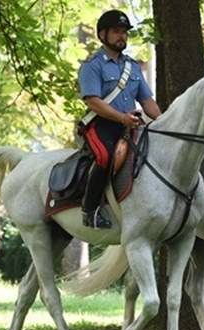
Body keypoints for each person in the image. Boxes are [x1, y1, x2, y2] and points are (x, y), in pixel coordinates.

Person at [78, 9, 161, 229]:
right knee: (105, 157)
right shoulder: (92, 65)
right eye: (116, 31)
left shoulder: (133, 67)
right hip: (100, 126)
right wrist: (121, 118)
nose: (122, 36)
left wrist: (164, 121)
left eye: (124, 32)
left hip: (129, 124)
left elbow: (147, 102)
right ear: (102, 35)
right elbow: (93, 101)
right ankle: (90, 210)